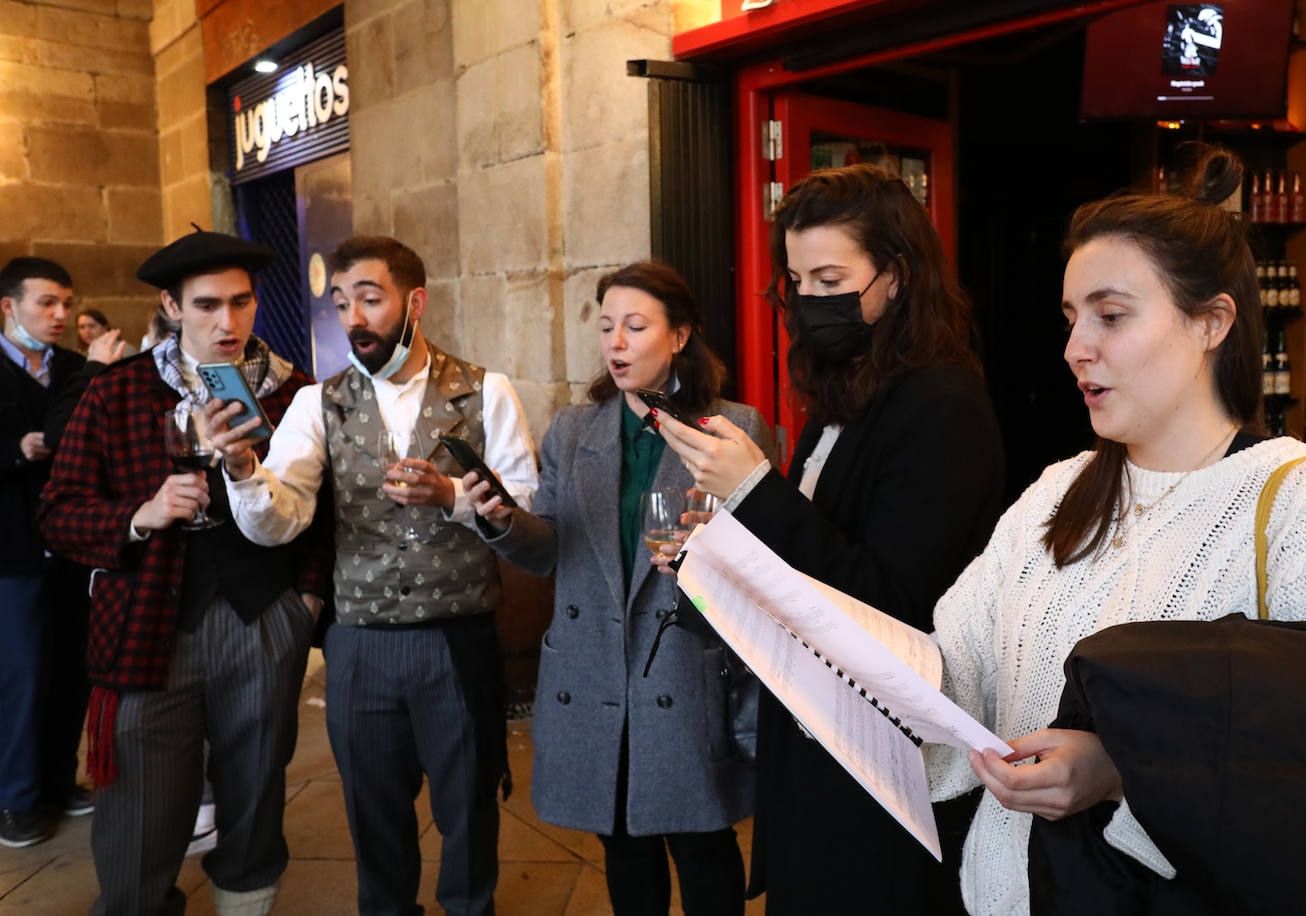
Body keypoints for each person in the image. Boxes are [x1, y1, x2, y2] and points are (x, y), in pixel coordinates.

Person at [923, 145, 1306, 915]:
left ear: (1211, 323)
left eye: (1112, 315)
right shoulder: (1053, 496)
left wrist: (1122, 770)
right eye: (1071, 319)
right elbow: (954, 671)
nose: (1075, 349)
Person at [656, 164, 1006, 914]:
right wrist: (712, 556)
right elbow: (804, 564)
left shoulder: (943, 403)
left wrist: (754, 491)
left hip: (885, 765)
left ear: (896, 277)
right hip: (813, 741)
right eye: (796, 280)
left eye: (829, 278)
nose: (809, 300)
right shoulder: (846, 387)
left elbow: (893, 602)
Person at [211, 235, 539, 916]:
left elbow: (526, 517)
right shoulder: (316, 405)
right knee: (374, 817)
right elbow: (283, 518)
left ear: (413, 302)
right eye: (340, 303)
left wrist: (453, 499)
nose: (353, 317)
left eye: (369, 297)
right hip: (360, 645)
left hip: (459, 638)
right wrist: (244, 474)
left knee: (469, 811)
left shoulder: (486, 391)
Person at [38, 229, 333, 914]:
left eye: (240, 302)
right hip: (145, 624)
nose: (226, 323)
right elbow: (56, 514)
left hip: (262, 619)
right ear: (171, 306)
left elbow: (328, 519)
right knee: (138, 807)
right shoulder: (115, 395)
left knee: (256, 793)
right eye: (206, 305)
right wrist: (139, 515)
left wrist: (305, 604)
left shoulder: (298, 395)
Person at [470, 261, 773, 916]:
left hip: (683, 663)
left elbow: (764, 562)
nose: (616, 342)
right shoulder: (575, 429)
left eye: (636, 326)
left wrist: (706, 558)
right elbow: (551, 549)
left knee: (700, 843)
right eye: (607, 326)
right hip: (595, 668)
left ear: (680, 335)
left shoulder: (734, 428)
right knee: (623, 845)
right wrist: (499, 520)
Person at [0, 257, 111, 847]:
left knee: (73, 670)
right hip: (12, 552)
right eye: (46, 303)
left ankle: (56, 784)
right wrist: (17, 450)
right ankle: (14, 799)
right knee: (19, 677)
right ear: (8, 307)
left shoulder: (76, 367)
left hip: (70, 546)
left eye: (66, 303)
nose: (60, 315)